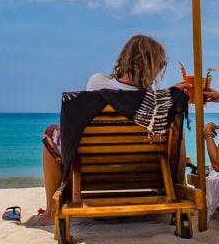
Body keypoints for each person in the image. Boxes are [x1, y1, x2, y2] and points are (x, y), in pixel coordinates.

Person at [36, 34, 170, 226]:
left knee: (51, 133)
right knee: (178, 139)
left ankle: (50, 212)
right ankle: (174, 190)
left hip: (95, 168)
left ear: (126, 58)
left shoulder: (98, 83)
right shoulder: (156, 102)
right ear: (154, 67)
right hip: (141, 171)